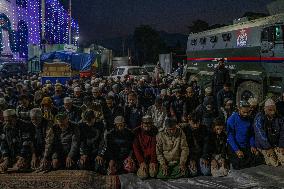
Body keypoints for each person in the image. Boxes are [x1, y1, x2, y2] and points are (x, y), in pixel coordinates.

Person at [227, 101, 263, 170]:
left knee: (258, 159)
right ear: (239, 109)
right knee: (238, 165)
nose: (246, 114)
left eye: (248, 112)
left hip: (245, 145)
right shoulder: (231, 119)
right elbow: (230, 137)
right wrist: (237, 150)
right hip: (235, 146)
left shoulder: (250, 119)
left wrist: (252, 145)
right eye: (244, 112)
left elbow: (251, 134)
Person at [254, 99, 284, 166]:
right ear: (265, 109)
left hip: (276, 145)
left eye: (274, 110)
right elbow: (260, 134)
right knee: (274, 163)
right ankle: (262, 155)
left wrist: (281, 145)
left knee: (283, 161)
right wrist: (268, 147)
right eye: (270, 110)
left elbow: (283, 132)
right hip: (264, 146)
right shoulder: (259, 118)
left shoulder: (279, 117)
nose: (273, 112)